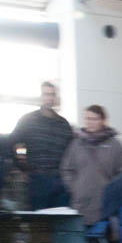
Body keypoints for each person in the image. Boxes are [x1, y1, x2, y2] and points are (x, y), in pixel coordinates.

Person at [58, 105, 122, 226]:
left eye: (94, 119)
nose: (90, 122)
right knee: (79, 240)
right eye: (87, 119)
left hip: (105, 204)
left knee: (102, 242)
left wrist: (113, 191)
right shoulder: (76, 144)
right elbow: (66, 169)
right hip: (80, 203)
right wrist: (75, 188)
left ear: (103, 120)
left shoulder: (115, 145)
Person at [9, 81, 74, 210]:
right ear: (41, 97)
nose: (49, 98)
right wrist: (22, 165)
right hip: (37, 178)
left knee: (60, 219)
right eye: (46, 94)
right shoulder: (27, 120)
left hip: (59, 180)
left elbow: (71, 152)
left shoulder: (64, 124)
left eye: (52, 95)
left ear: (56, 98)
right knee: (39, 222)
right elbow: (15, 142)